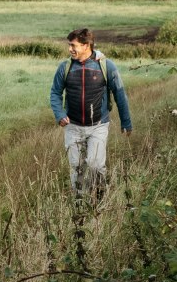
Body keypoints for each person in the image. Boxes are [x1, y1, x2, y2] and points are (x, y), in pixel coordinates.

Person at [50, 28, 132, 199]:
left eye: (73, 46)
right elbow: (55, 93)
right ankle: (79, 202)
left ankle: (100, 197)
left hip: (98, 126)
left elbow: (120, 93)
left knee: (95, 165)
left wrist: (126, 122)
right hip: (73, 126)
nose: (70, 49)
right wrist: (59, 114)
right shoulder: (65, 67)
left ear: (86, 45)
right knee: (77, 167)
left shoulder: (106, 65)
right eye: (69, 45)